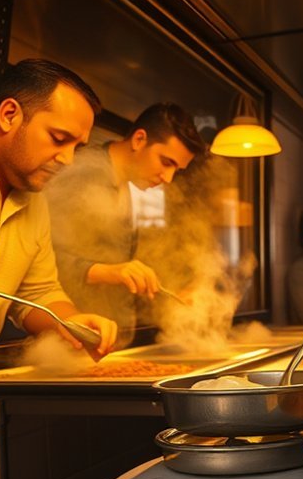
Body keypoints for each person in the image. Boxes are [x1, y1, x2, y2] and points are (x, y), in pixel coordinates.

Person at [0, 58, 117, 356]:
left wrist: (70, 321)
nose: (67, 160)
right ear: (9, 114)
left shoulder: (34, 199)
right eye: (59, 139)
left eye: (76, 148)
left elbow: (38, 293)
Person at [46, 103, 205, 339]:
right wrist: (108, 272)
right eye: (166, 162)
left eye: (177, 169)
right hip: (70, 335)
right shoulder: (85, 174)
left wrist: (177, 288)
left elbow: (114, 256)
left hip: (103, 338)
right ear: (139, 139)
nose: (169, 178)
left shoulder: (124, 184)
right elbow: (41, 259)